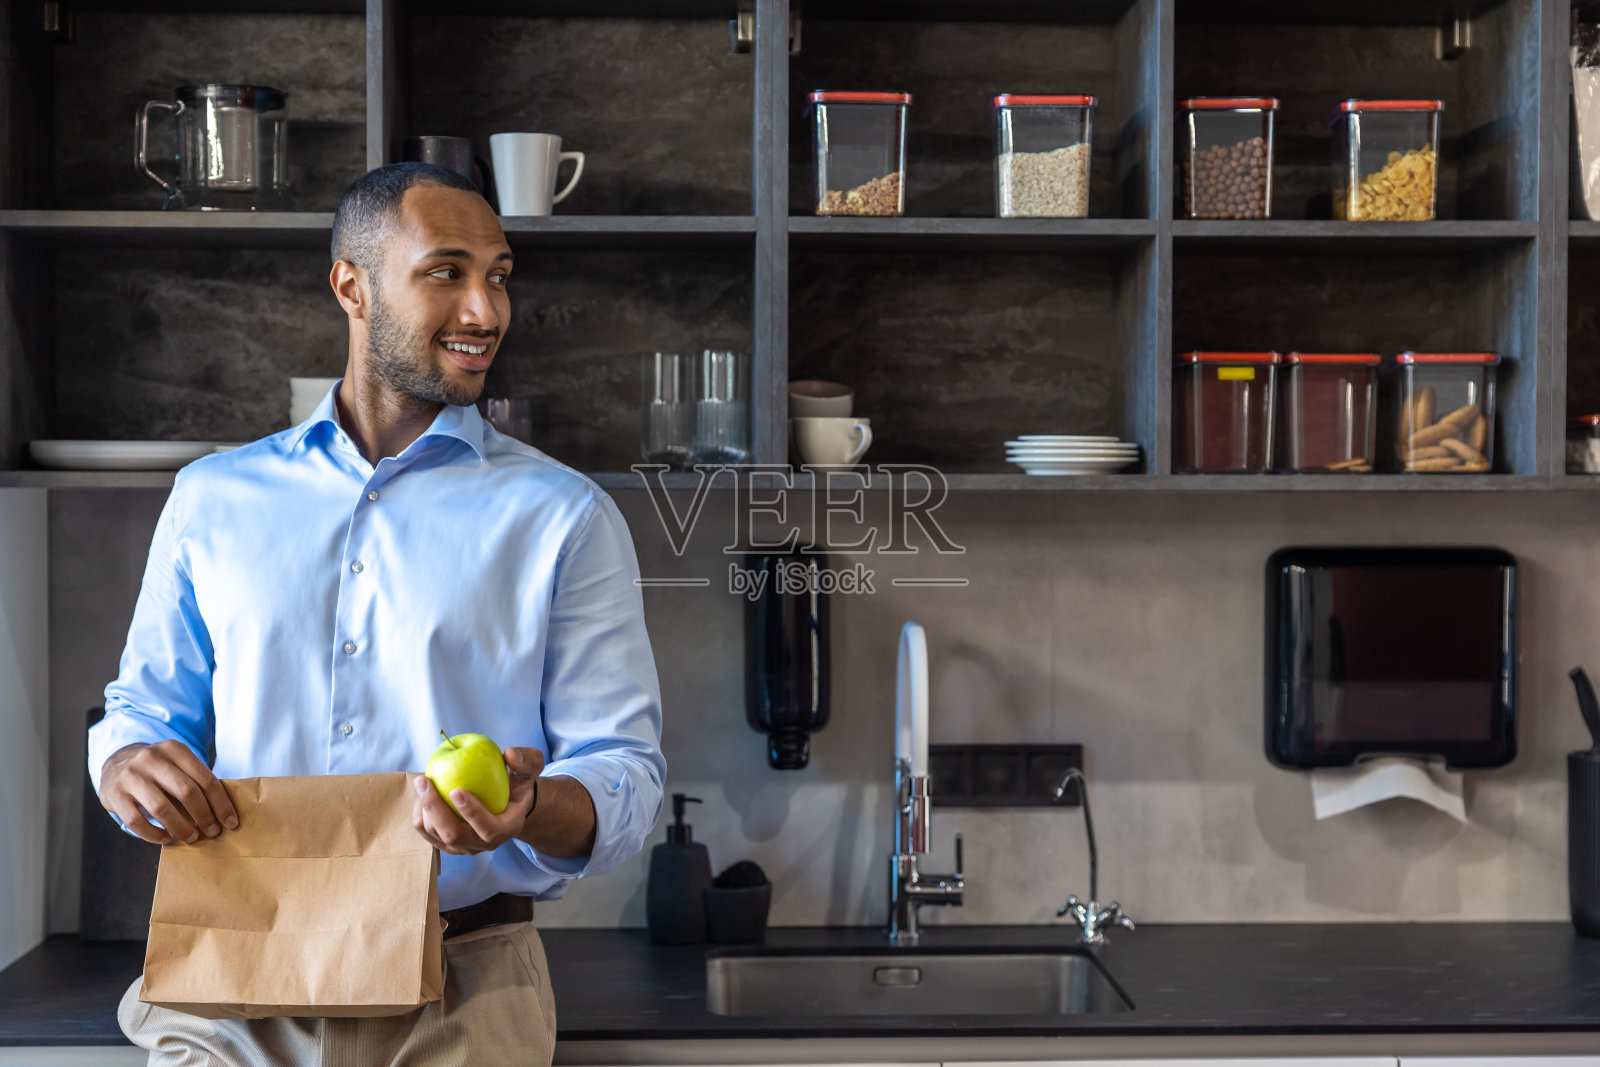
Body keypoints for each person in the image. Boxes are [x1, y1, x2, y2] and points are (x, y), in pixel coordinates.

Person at [88, 162, 666, 1066]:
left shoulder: (565, 516)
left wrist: (532, 804)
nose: (486, 312)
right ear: (350, 286)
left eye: (499, 275)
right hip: (232, 981)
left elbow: (627, 774)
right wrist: (124, 763)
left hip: (465, 989)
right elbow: (143, 714)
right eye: (447, 272)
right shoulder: (212, 498)